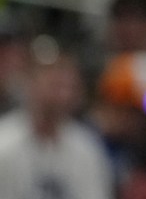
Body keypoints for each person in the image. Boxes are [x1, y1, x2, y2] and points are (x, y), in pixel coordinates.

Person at [0, 37, 114, 199]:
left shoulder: (87, 148)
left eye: (67, 85)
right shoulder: (4, 143)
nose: (62, 93)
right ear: (30, 83)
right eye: (53, 83)